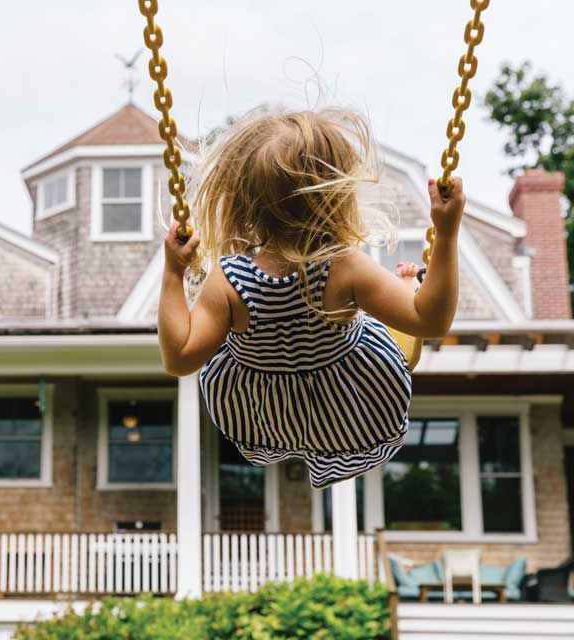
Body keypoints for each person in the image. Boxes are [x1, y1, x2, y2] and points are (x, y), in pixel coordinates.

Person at [157, 109, 464, 488]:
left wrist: (173, 273)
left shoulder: (230, 280)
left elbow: (179, 358)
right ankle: (402, 287)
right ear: (335, 195)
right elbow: (430, 321)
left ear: (245, 202)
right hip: (349, 406)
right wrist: (447, 233)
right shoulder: (343, 267)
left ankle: (399, 289)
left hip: (265, 414)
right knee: (400, 308)